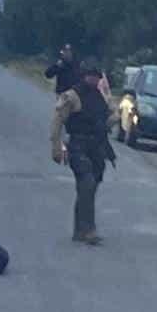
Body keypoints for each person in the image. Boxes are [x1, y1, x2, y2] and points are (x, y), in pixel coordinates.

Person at [50, 62, 116, 245]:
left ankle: (80, 229)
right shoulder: (72, 96)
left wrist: (112, 117)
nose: (94, 79)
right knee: (86, 183)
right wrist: (56, 145)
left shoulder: (101, 96)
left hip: (97, 146)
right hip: (78, 144)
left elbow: (110, 117)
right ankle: (88, 229)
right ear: (84, 76)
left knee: (90, 187)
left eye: (97, 76)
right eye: (91, 76)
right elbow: (57, 120)